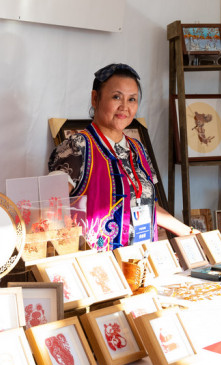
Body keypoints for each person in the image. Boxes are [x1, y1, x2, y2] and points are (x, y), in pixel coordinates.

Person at [48, 63, 194, 251]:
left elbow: (149, 205)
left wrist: (188, 232)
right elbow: (50, 207)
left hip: (143, 257)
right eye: (116, 97)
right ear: (95, 98)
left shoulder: (138, 149)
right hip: (101, 262)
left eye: (132, 99)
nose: (124, 107)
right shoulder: (78, 146)